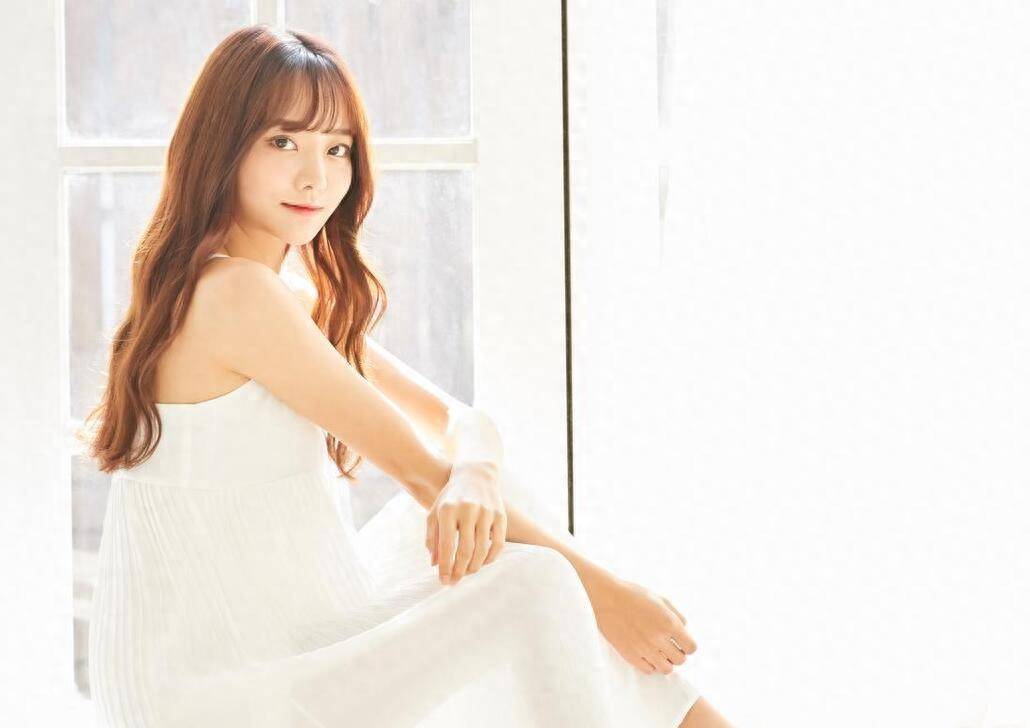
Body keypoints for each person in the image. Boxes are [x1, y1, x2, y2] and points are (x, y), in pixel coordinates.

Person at [77, 24, 733, 728]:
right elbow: (421, 470)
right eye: (282, 142)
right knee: (537, 580)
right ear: (220, 145)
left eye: (337, 149)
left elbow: (461, 424)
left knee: (489, 507)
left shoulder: (282, 295)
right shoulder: (237, 296)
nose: (315, 176)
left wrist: (476, 472)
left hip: (286, 642)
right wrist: (611, 598)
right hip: (222, 694)